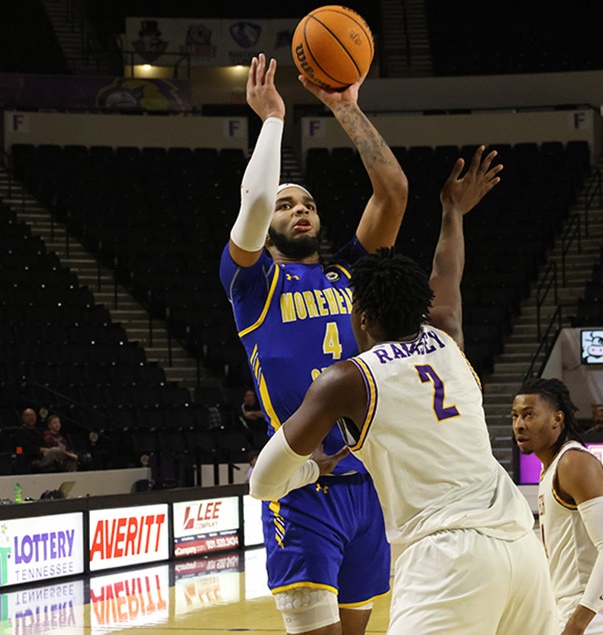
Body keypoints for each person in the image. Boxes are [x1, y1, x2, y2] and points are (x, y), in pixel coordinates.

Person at [251, 148, 555, 634]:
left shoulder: (350, 379)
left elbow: (261, 484)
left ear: (362, 319)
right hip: (521, 545)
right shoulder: (446, 338)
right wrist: (452, 211)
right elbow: (447, 275)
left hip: (449, 555)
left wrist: (314, 467)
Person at [223, 53, 409, 635]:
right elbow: (253, 204)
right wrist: (273, 119)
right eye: (287, 204)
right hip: (303, 488)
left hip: (368, 487)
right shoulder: (251, 284)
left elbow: (393, 191)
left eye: (307, 203)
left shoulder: (349, 273)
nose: (299, 209)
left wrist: (347, 109)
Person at [513, 378, 603, 635]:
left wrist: (577, 623)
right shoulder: (551, 468)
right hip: (570, 602)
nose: (519, 425)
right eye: (515, 416)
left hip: (593, 607)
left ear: (557, 419)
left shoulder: (573, 463)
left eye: (529, 415)